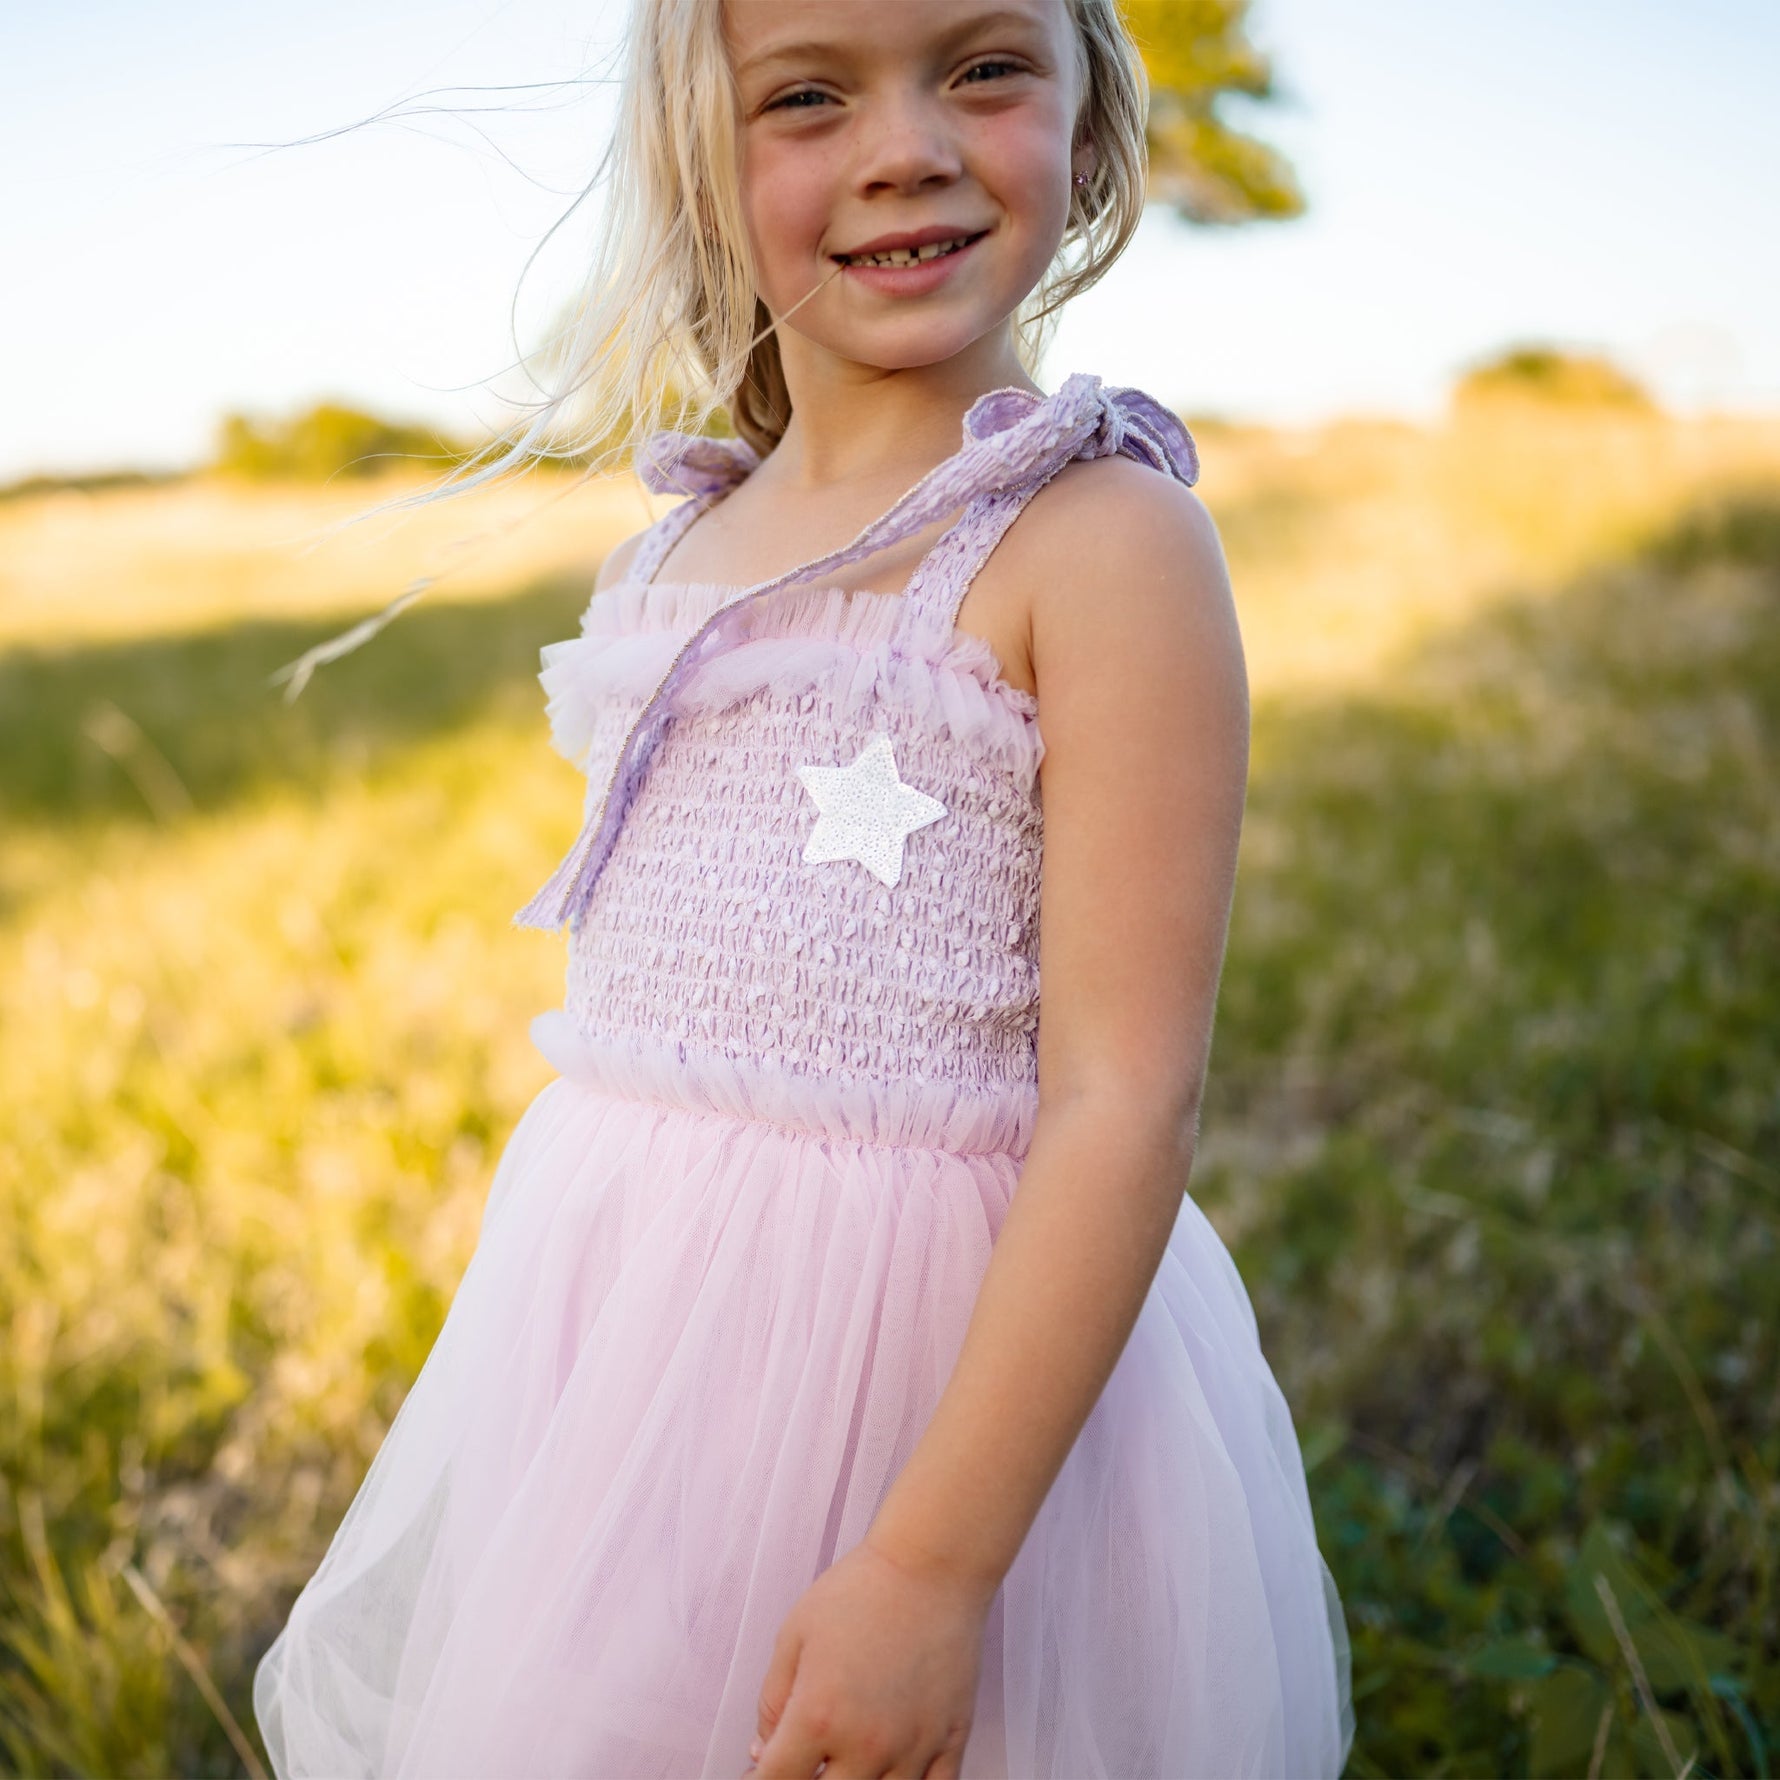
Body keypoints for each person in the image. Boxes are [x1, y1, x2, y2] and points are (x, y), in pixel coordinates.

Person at [251, 0, 1354, 1773]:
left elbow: (1125, 1098)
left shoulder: (1100, 542)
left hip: (947, 1405)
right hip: (635, 1371)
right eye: (809, 98)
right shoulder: (671, 554)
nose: (904, 149)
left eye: (982, 68)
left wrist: (931, 1567)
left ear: (1088, 113)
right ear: (702, 162)